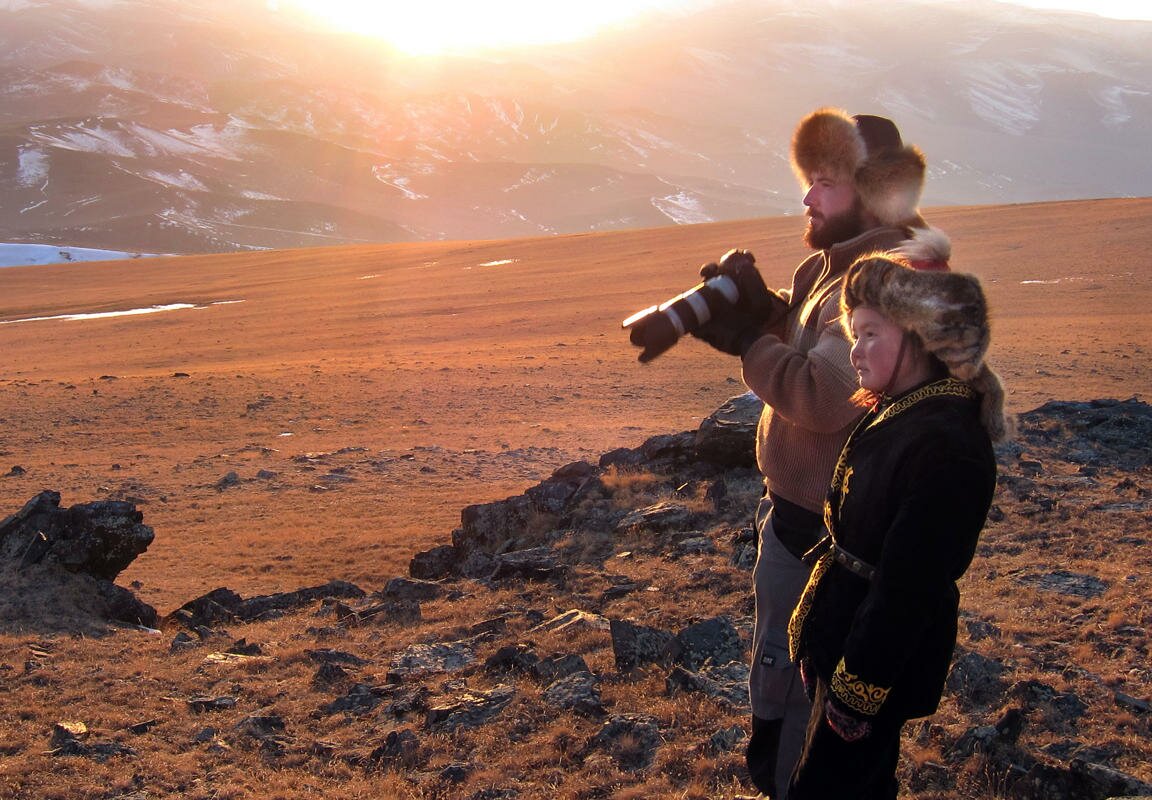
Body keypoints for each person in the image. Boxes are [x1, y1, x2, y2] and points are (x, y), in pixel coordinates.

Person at [687, 107, 952, 800]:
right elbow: (811, 339)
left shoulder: (885, 278)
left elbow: (827, 390)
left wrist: (749, 342)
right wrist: (764, 308)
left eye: (825, 182)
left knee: (806, 715)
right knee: (785, 690)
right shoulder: (830, 268)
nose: (807, 196)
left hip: (825, 541)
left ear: (870, 193)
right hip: (801, 526)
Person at [785, 254, 1007, 798]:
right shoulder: (904, 412)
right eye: (852, 334)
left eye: (868, 334)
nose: (854, 352)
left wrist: (857, 688)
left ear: (917, 335)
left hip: (874, 658)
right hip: (846, 634)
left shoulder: (947, 446)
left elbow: (910, 586)